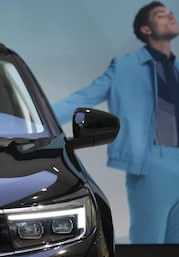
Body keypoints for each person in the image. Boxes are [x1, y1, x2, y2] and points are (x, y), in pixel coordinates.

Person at [52, 1, 179, 244]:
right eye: (161, 15)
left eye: (170, 12)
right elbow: (80, 99)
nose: (170, 16)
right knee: (149, 244)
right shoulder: (125, 67)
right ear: (146, 29)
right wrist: (35, 120)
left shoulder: (177, 68)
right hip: (151, 163)